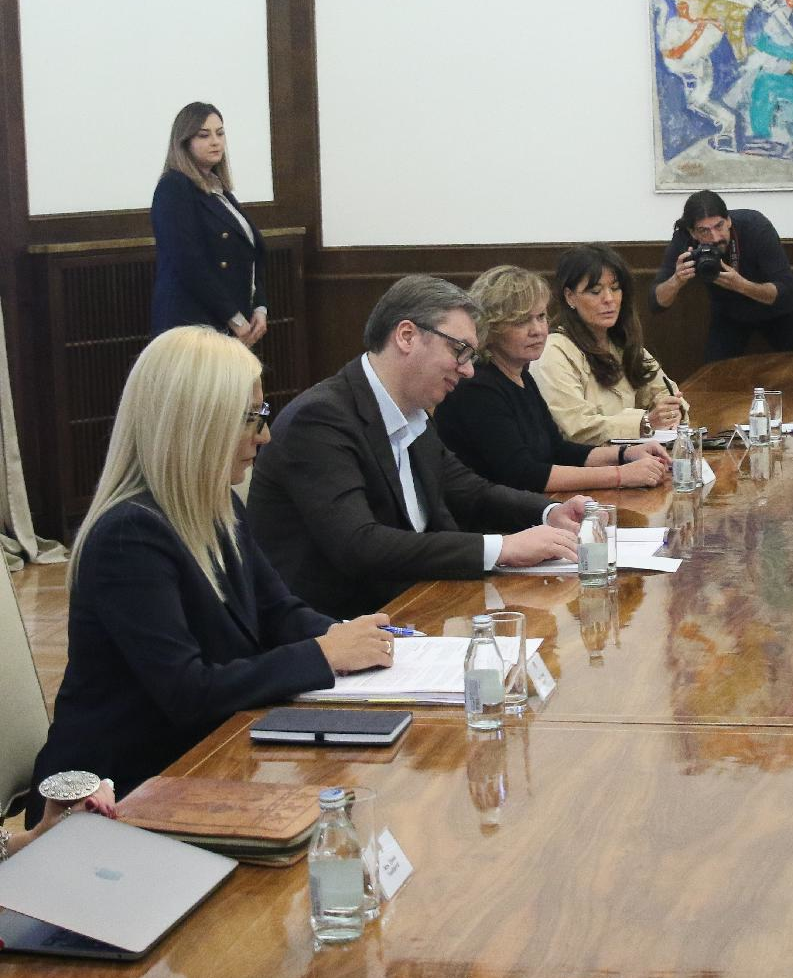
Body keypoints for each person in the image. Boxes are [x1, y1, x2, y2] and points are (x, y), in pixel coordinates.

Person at [27, 328, 394, 823]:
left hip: (198, 763)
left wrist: (347, 637)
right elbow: (189, 692)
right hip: (113, 797)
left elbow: (277, 611)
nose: (265, 435)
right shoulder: (128, 536)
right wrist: (325, 655)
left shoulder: (218, 507)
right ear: (197, 423)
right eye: (252, 418)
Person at [247, 275, 587, 620]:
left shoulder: (413, 413)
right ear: (407, 336)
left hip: (416, 608)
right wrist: (503, 547)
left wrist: (548, 513)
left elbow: (470, 492)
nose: (468, 370)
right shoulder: (320, 419)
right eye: (459, 350)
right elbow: (359, 544)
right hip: (340, 628)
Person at [434, 265, 671, 493]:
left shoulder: (520, 375)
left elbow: (558, 450)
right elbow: (523, 474)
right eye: (521, 321)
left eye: (540, 317)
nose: (537, 330)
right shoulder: (477, 387)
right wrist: (621, 475)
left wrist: (625, 454)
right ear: (490, 328)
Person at [532, 244, 689, 446]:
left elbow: (664, 390)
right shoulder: (553, 351)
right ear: (570, 297)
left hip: (632, 456)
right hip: (583, 462)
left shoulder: (622, 344)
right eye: (595, 291)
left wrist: (672, 411)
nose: (609, 299)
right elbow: (577, 427)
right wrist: (645, 422)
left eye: (615, 289)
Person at [150, 102, 268, 345]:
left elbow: (250, 254)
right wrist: (234, 318)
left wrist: (260, 307)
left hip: (230, 319)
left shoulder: (218, 189)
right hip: (193, 324)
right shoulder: (174, 187)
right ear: (184, 142)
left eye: (220, 133)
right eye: (204, 135)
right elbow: (188, 262)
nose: (215, 142)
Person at [652, 189, 793, 362]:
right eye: (704, 231)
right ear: (693, 233)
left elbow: (788, 291)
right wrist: (676, 280)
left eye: (719, 226)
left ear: (728, 220)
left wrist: (741, 286)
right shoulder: (683, 238)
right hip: (729, 313)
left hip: (778, 311)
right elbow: (656, 303)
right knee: (714, 372)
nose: (715, 237)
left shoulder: (755, 227)